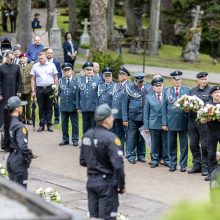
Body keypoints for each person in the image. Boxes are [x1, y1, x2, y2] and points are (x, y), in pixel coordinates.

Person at [80, 104, 125, 219]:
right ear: (105, 120)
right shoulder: (111, 138)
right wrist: (121, 185)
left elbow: (83, 161)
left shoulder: (87, 135)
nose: (113, 119)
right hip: (106, 184)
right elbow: (118, 166)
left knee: (94, 217)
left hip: (91, 182)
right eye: (111, 117)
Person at [1, 96, 33, 188]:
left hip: (10, 160)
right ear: (17, 109)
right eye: (21, 106)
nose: (22, 107)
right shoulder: (19, 126)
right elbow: (23, 146)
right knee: (22, 193)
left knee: (13, 193)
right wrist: (29, 154)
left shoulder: (6, 124)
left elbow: (3, 145)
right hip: (19, 162)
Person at [162, 71, 190, 172]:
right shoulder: (167, 91)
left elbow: (189, 108)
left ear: (181, 80)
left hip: (183, 121)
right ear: (172, 80)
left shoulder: (187, 90)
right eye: (175, 79)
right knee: (171, 144)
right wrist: (164, 123)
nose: (177, 81)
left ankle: (183, 165)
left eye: (179, 79)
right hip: (171, 122)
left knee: (184, 145)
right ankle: (173, 164)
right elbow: (163, 108)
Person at [122, 73, 152, 164]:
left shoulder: (149, 88)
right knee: (131, 136)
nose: (139, 84)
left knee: (143, 136)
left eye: (141, 82)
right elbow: (124, 104)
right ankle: (131, 155)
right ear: (135, 81)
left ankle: (141, 155)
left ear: (143, 81)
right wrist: (125, 119)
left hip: (144, 117)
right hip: (132, 117)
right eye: (138, 82)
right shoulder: (129, 88)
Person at [188, 72, 211, 176]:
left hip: (204, 123)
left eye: (205, 79)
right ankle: (196, 165)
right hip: (193, 122)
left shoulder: (211, 91)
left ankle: (205, 167)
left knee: (204, 145)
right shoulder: (192, 91)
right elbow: (187, 105)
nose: (204, 81)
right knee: (193, 144)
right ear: (198, 80)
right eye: (202, 79)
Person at [144, 76, 170, 168]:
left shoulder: (167, 95)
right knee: (155, 143)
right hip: (153, 123)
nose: (159, 87)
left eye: (160, 85)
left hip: (165, 123)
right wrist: (146, 126)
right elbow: (146, 113)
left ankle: (166, 159)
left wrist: (167, 123)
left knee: (165, 142)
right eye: (157, 86)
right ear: (153, 87)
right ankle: (155, 160)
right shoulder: (148, 97)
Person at [30, 52, 58, 132]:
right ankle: (42, 125)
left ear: (46, 57)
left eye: (42, 58)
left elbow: (55, 77)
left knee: (49, 107)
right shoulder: (35, 66)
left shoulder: (51, 65)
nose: (41, 60)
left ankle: (49, 124)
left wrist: (56, 89)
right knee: (41, 107)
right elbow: (33, 79)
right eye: (39, 58)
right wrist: (33, 91)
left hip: (50, 88)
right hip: (39, 89)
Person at [76, 61, 100, 134]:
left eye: (90, 69)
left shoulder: (98, 79)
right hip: (84, 107)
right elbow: (78, 94)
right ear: (84, 71)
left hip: (94, 107)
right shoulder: (80, 80)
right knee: (85, 126)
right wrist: (78, 107)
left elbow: (100, 94)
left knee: (93, 126)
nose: (89, 71)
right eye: (87, 70)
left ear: (93, 70)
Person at [59, 63, 79, 146]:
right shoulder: (61, 80)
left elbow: (78, 93)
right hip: (64, 105)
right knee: (64, 123)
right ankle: (65, 139)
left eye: (68, 70)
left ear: (72, 71)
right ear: (63, 71)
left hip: (73, 105)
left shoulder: (77, 80)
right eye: (65, 70)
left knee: (74, 123)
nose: (67, 72)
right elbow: (59, 92)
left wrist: (78, 105)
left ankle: (75, 139)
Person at [0, 51, 22, 127]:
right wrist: (0, 94)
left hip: (14, 91)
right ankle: (2, 125)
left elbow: (19, 80)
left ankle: (14, 124)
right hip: (4, 92)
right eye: (10, 58)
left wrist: (19, 90)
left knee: (14, 107)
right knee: (4, 108)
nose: (12, 60)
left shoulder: (16, 67)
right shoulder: (1, 67)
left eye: (12, 59)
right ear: (6, 58)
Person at [203, 86, 220, 181]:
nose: (218, 94)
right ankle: (211, 173)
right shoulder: (207, 105)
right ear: (212, 94)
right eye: (216, 92)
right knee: (211, 153)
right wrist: (206, 119)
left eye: (219, 92)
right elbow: (202, 120)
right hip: (211, 132)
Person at [112, 66, 130, 153]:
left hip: (125, 115)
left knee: (127, 134)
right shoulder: (117, 85)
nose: (119, 75)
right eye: (119, 74)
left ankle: (128, 151)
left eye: (121, 74)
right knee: (118, 133)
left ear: (126, 76)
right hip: (117, 114)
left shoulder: (129, 86)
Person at [46, 48, 62, 124]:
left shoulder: (57, 63)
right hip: (46, 85)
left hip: (54, 85)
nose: (49, 54)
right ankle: (47, 118)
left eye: (50, 53)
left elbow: (59, 74)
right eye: (48, 53)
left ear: (52, 54)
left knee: (55, 103)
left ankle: (56, 119)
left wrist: (56, 84)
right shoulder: (43, 62)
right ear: (46, 54)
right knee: (47, 103)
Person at [19, 53, 33, 125]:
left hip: (28, 88)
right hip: (20, 89)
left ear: (27, 59)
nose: (22, 59)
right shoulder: (18, 67)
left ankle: (29, 118)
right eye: (21, 58)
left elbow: (33, 78)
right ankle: (22, 118)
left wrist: (33, 89)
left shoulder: (30, 66)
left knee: (28, 104)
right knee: (21, 104)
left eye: (24, 58)